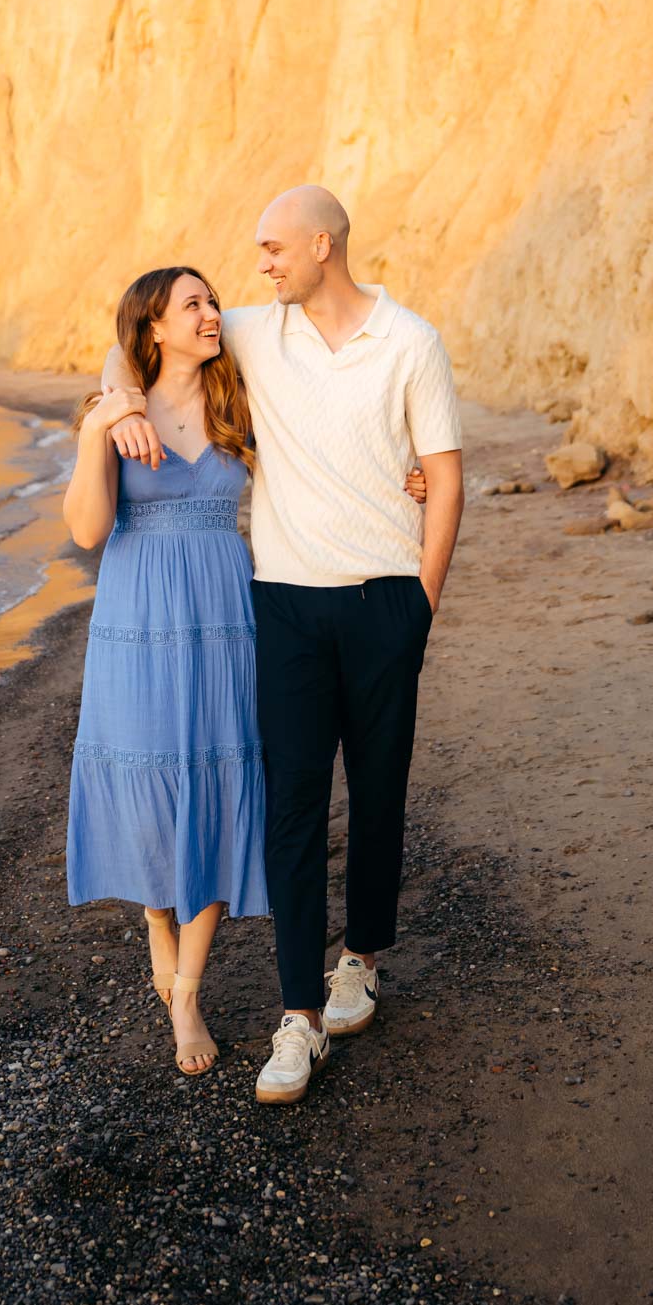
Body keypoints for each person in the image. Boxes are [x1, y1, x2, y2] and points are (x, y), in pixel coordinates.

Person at [104, 186, 463, 1105]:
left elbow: (447, 476)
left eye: (271, 248)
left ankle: (361, 960)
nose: (255, 268)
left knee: (379, 796)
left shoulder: (411, 341)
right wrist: (115, 400)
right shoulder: (256, 334)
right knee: (293, 810)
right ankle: (297, 1016)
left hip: (386, 598)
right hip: (286, 607)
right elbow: (134, 339)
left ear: (321, 244)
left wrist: (420, 602)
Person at [63, 265, 265, 1076]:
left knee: (219, 779)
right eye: (194, 304)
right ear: (153, 326)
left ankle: (187, 994)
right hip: (136, 616)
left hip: (223, 616)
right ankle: (156, 921)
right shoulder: (114, 408)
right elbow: (85, 530)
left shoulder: (238, 390)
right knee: (150, 782)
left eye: (212, 300)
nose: (212, 313)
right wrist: (99, 425)